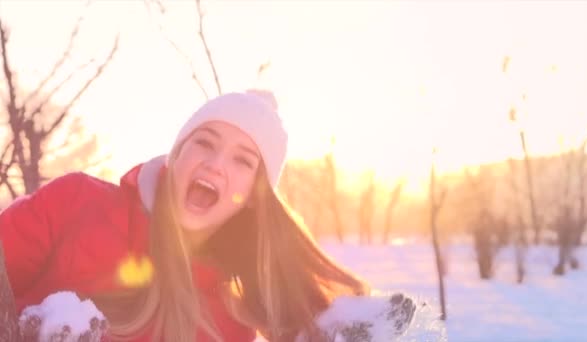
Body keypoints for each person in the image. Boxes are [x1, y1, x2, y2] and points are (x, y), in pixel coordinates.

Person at [0, 90, 369, 341]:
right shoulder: (75, 204)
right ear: (177, 154)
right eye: (204, 142)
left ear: (255, 197)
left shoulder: (230, 323)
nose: (215, 164)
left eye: (243, 160)